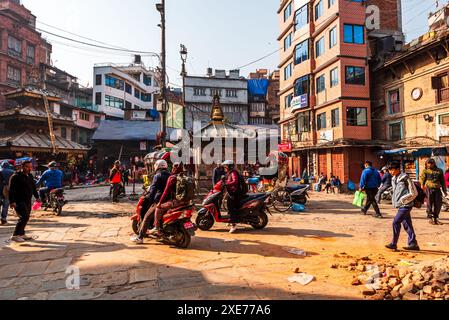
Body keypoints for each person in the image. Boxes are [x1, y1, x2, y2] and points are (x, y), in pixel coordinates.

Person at [131, 160, 170, 244]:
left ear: (157, 166)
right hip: (169, 200)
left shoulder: (158, 176)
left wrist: (150, 200)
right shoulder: (170, 175)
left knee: (146, 217)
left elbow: (153, 190)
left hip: (159, 201)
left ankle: (140, 238)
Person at [385, 161, 420, 251]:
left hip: (406, 205)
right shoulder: (393, 179)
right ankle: (413, 243)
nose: (391, 172)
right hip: (400, 205)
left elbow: (414, 193)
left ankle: (394, 243)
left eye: (392, 170)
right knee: (407, 224)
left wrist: (403, 200)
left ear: (398, 169)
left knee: (396, 222)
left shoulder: (406, 178)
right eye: (389, 170)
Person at [150, 163, 189, 237]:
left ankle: (156, 228)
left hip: (176, 202)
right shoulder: (184, 177)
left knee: (158, 208)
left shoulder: (172, 178)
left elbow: (165, 192)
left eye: (173, 168)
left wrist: (160, 203)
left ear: (174, 169)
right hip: (186, 202)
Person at [8, 161, 40, 243]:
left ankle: (21, 233)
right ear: (22, 167)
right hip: (18, 200)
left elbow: (33, 187)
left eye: (30, 167)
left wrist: (37, 197)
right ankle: (15, 235)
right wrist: (12, 201)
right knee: (24, 216)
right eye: (27, 167)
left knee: (27, 216)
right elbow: (11, 190)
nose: (29, 169)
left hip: (27, 200)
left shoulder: (29, 175)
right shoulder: (15, 176)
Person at [420, 158, 447, 225]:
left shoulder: (439, 171)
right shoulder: (425, 171)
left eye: (430, 163)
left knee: (438, 204)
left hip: (437, 189)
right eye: (428, 163)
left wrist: (444, 191)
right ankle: (430, 218)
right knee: (429, 204)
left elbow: (443, 181)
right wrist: (422, 187)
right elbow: (422, 179)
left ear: (434, 163)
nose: (429, 165)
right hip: (429, 189)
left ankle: (436, 218)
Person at [223, 160, 247, 234]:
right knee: (228, 205)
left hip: (236, 193)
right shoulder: (230, 173)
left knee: (231, 207)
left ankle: (234, 225)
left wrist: (227, 184)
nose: (225, 168)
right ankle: (231, 219)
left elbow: (235, 181)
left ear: (229, 166)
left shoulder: (233, 173)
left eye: (226, 166)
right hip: (233, 192)